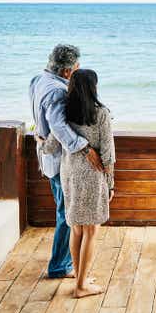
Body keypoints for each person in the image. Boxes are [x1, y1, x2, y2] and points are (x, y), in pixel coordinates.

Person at [29, 44, 106, 279]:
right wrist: (85, 148)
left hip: (47, 156)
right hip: (58, 162)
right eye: (76, 67)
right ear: (66, 72)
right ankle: (60, 267)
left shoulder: (38, 80)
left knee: (66, 213)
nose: (76, 71)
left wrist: (39, 137)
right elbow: (59, 127)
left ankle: (64, 265)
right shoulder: (57, 91)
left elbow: (44, 122)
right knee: (67, 214)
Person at [42, 69, 115, 298]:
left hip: (69, 175)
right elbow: (108, 154)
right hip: (92, 176)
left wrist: (38, 140)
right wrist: (110, 184)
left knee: (76, 229)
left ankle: (80, 276)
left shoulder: (64, 114)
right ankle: (81, 287)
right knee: (91, 231)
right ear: (93, 87)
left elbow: (51, 146)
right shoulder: (101, 113)